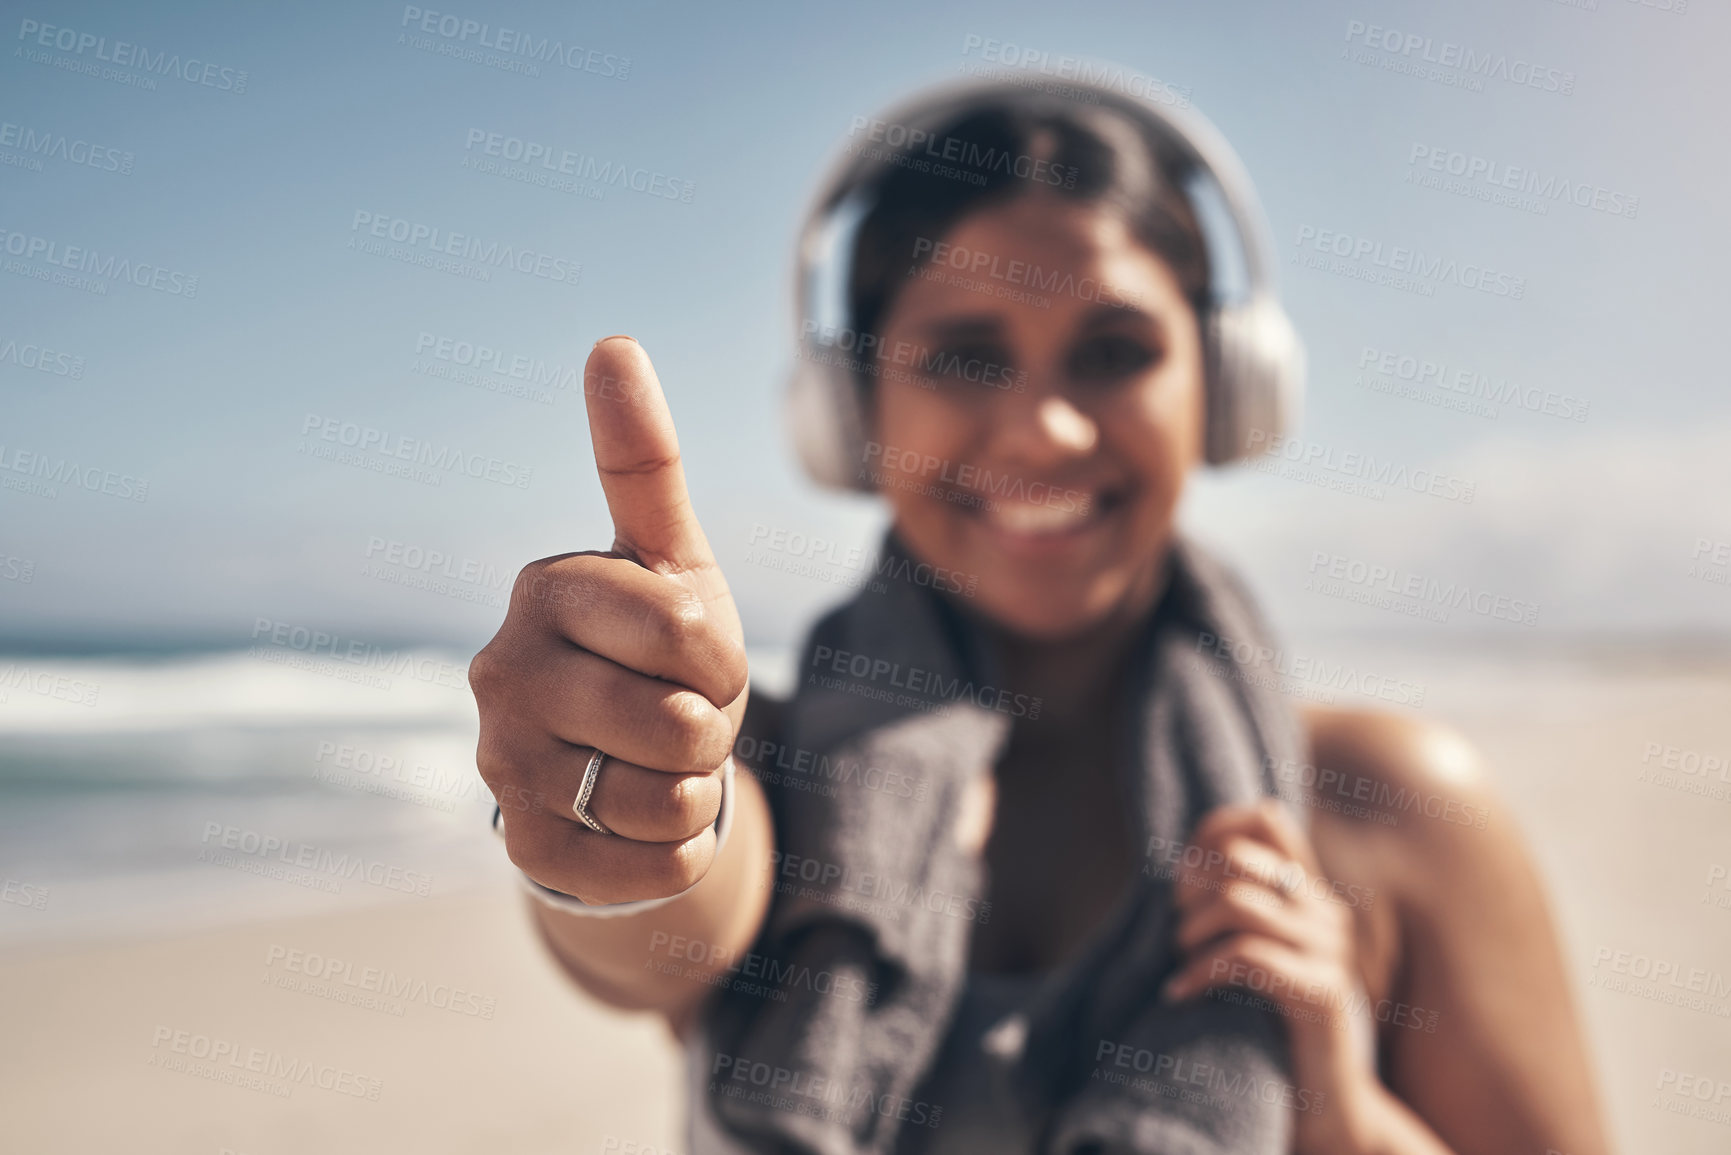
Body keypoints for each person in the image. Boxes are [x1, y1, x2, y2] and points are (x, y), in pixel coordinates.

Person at [468, 79, 1611, 1155]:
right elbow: (658, 910)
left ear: (1225, 388)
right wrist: (621, 820)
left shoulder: (1391, 807)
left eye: (1115, 353)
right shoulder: (760, 774)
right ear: (852, 411)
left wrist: (1343, 1115)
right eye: (966, 357)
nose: (1046, 433)